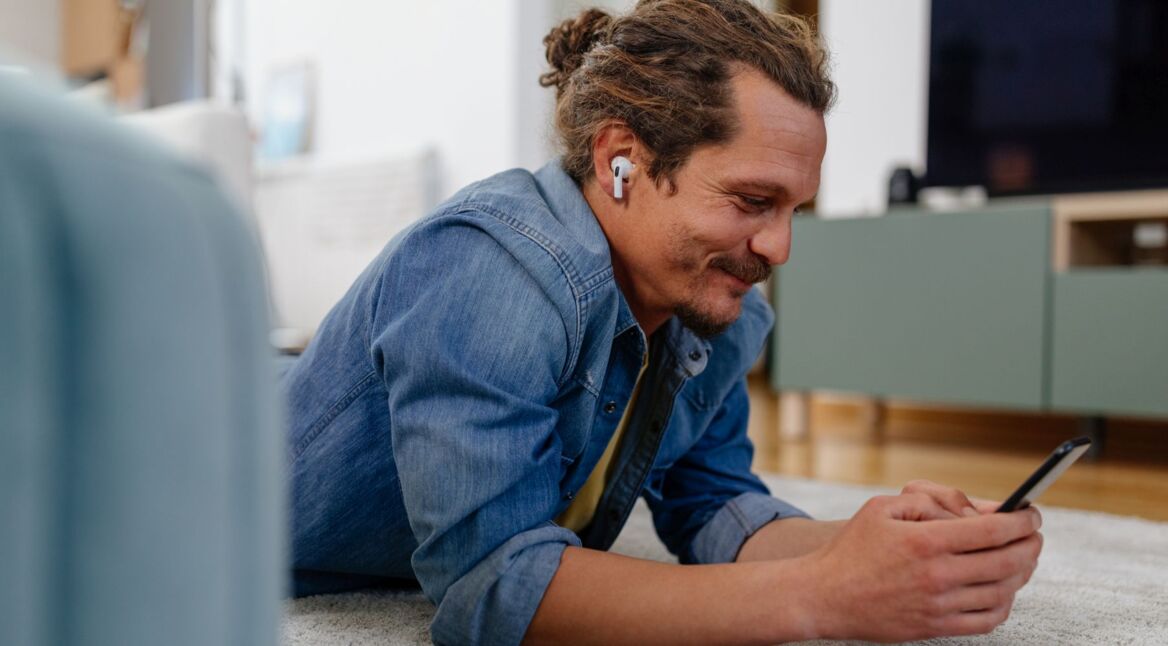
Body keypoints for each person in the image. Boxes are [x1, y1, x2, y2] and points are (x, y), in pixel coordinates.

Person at [282, 1, 1044, 644]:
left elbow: (714, 506)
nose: (779, 247)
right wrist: (822, 593)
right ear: (622, 161)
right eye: (752, 202)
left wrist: (879, 546)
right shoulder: (491, 272)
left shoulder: (710, 308)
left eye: (792, 211)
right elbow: (488, 586)